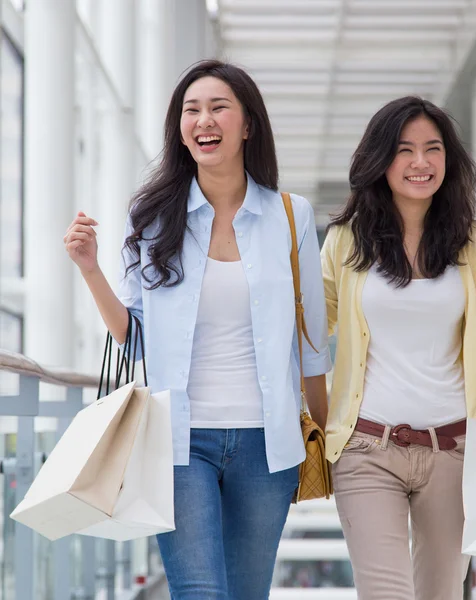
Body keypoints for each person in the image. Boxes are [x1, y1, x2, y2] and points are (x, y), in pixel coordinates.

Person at [64, 59, 332, 600]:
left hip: (267, 446)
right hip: (179, 443)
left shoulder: (291, 215)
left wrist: (329, 444)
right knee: (200, 593)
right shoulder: (152, 215)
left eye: (218, 108)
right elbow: (134, 337)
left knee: (247, 593)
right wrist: (91, 270)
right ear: (180, 128)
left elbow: (312, 345)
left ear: (248, 124)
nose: (203, 120)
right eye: (191, 110)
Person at [321, 96, 476, 600]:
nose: (420, 162)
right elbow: (312, 332)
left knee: (441, 593)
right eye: (405, 149)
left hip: (455, 451)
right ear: (380, 160)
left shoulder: (473, 244)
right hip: (367, 447)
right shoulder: (345, 242)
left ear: (447, 160)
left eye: (432, 149)